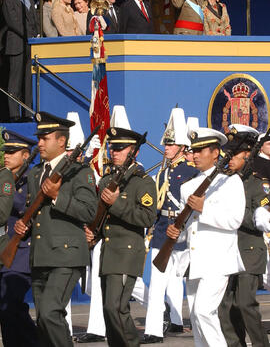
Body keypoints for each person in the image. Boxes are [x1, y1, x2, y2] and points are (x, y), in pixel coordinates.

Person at [14, 111, 97, 347]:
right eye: (39, 137)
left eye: (45, 137)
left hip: (66, 255)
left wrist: (58, 196)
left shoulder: (80, 172)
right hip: (41, 254)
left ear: (61, 141)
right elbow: (35, 213)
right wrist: (24, 225)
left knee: (51, 312)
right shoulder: (36, 173)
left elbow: (89, 212)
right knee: (43, 319)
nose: (39, 143)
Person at [166, 127, 246, 346]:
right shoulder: (187, 187)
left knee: (204, 312)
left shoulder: (231, 182)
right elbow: (188, 225)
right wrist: (176, 231)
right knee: (195, 316)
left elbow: (234, 221)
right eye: (194, 150)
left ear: (216, 153)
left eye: (202, 150)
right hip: (194, 261)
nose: (196, 155)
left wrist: (204, 208)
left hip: (218, 260)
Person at [88, 126, 157, 347]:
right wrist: (92, 232)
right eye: (112, 147)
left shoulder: (142, 181)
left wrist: (116, 202)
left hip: (126, 252)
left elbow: (147, 218)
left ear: (134, 152)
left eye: (120, 148)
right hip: (108, 252)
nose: (114, 152)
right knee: (110, 312)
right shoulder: (105, 179)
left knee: (116, 307)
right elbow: (100, 216)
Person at [142, 108, 199, 344]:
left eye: (171, 144)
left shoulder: (192, 172)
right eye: (166, 143)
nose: (166, 147)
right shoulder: (162, 172)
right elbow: (157, 203)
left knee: (193, 284)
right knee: (157, 284)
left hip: (185, 231)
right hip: (163, 229)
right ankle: (153, 330)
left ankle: (199, 325)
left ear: (182, 147)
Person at [218, 124, 270, 346]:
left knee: (245, 303)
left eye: (234, 154)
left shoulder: (257, 184)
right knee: (225, 307)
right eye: (227, 153)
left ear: (247, 154)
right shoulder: (222, 181)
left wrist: (236, 214)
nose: (229, 158)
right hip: (228, 250)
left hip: (249, 249)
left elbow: (262, 222)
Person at [0, 130, 39, 347]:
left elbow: (28, 207)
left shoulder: (31, 179)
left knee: (12, 305)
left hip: (22, 252)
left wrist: (7, 190)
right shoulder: (5, 177)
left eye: (13, 152)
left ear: (26, 156)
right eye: (6, 151)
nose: (7, 155)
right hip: (5, 250)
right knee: (5, 310)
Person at [2, 0, 39, 122]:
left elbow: (35, 22)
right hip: (16, 45)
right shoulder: (9, 0)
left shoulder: (30, 0)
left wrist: (36, 36)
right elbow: (13, 22)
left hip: (30, 45)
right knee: (15, 81)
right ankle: (14, 114)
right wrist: (29, 35)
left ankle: (28, 112)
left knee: (28, 81)